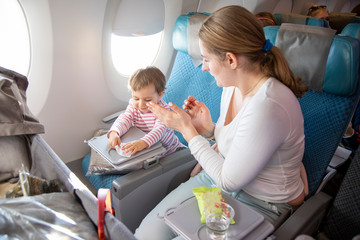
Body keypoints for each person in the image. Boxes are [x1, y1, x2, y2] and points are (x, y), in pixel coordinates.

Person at [135, 5, 309, 239]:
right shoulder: (233, 86)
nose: (204, 67)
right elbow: (243, 144)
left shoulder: (268, 106)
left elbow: (229, 181)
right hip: (217, 178)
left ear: (230, 60)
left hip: (261, 203)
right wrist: (209, 130)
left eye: (206, 59)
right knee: (146, 234)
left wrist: (187, 130)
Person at [107, 66, 185, 157]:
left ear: (160, 95)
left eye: (147, 100)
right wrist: (115, 132)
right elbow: (125, 118)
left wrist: (143, 142)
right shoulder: (133, 105)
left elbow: (159, 131)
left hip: (169, 151)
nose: (141, 105)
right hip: (147, 148)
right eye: (136, 98)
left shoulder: (163, 111)